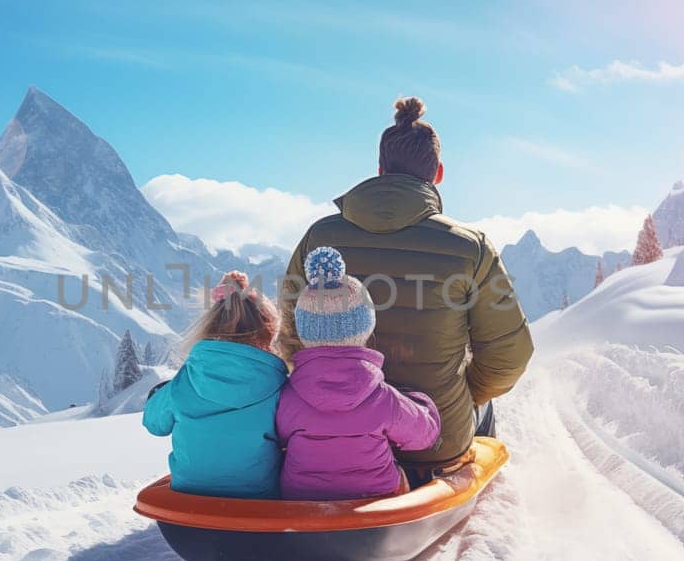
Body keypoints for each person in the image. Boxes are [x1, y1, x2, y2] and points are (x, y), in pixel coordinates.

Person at [278, 97, 533, 485]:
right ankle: (468, 503)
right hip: (434, 443)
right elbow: (508, 355)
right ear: (438, 173)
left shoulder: (320, 237)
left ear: (380, 170)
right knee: (485, 406)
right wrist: (462, 393)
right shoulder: (471, 247)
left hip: (334, 438)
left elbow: (291, 333)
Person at [275, 246, 442, 500]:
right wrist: (421, 401)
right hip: (375, 498)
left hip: (301, 500)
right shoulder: (382, 396)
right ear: (365, 326)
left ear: (305, 330)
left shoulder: (288, 396)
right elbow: (424, 435)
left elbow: (276, 437)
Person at [142, 271, 288, 498]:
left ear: (209, 326)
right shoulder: (277, 384)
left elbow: (154, 423)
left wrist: (157, 395)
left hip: (190, 504)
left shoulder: (187, 378)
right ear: (267, 332)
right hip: (258, 504)